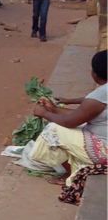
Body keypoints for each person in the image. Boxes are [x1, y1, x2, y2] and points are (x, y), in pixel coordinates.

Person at [30, 50, 107, 186]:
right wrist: (55, 109)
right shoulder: (101, 95)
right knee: (75, 127)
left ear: (94, 74)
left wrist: (44, 113)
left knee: (53, 130)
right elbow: (84, 112)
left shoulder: (100, 95)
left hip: (105, 151)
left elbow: (70, 121)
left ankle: (71, 174)